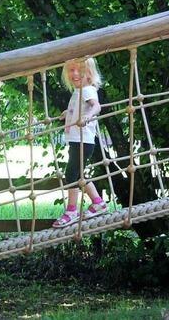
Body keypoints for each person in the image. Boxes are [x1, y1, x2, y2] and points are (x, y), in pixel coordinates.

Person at [53, 58, 108, 228]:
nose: (75, 74)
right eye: (71, 70)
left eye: (80, 70)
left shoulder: (86, 90)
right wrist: (68, 113)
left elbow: (96, 106)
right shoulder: (79, 91)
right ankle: (98, 202)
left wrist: (87, 116)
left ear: (90, 74)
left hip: (83, 140)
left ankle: (71, 211)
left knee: (71, 175)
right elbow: (79, 108)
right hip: (78, 140)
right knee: (78, 175)